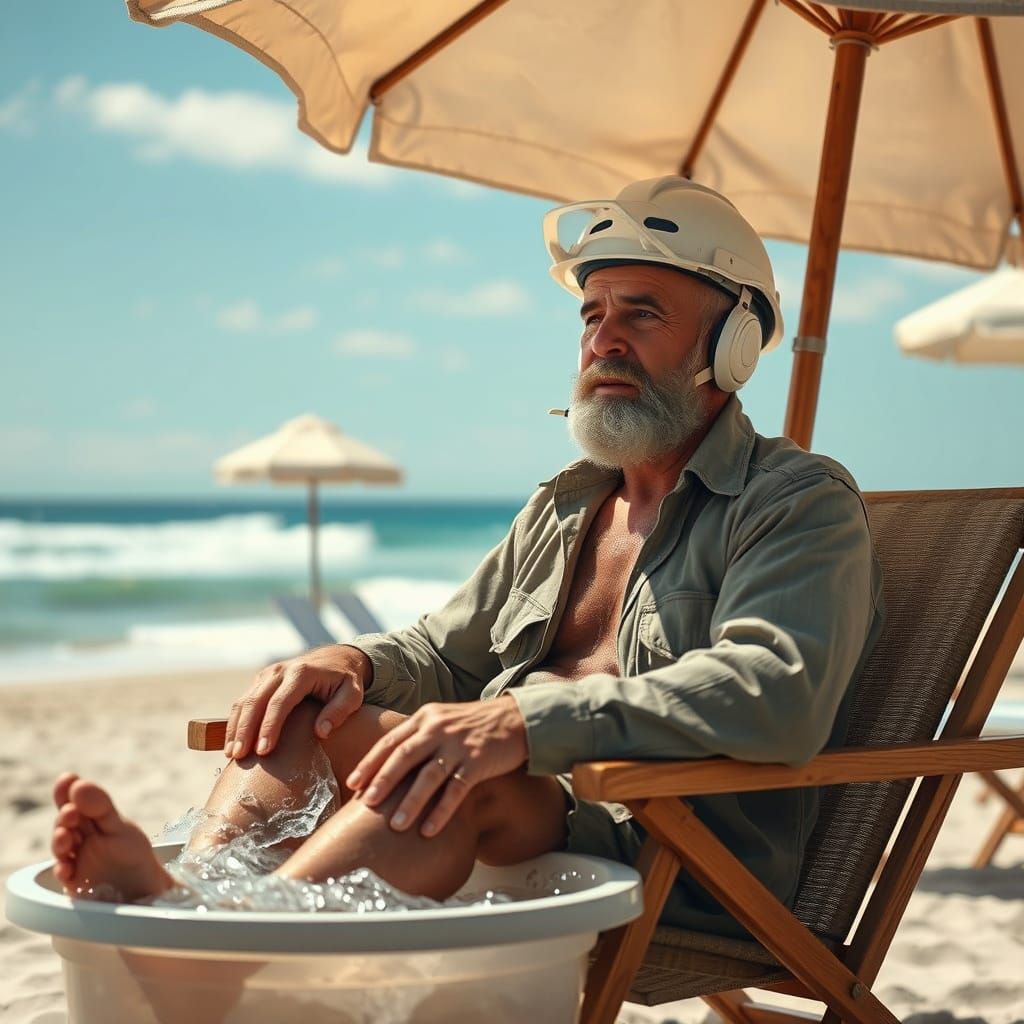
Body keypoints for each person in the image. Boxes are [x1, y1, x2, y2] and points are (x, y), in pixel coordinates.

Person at [51, 177, 882, 935]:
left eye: (642, 312)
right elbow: (439, 653)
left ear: (733, 346)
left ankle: (214, 941)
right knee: (311, 708)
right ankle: (196, 899)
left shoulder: (795, 503)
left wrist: (519, 722)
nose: (604, 341)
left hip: (675, 855)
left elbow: (777, 691)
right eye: (592, 315)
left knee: (448, 781)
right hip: (516, 813)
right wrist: (348, 659)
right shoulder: (567, 505)